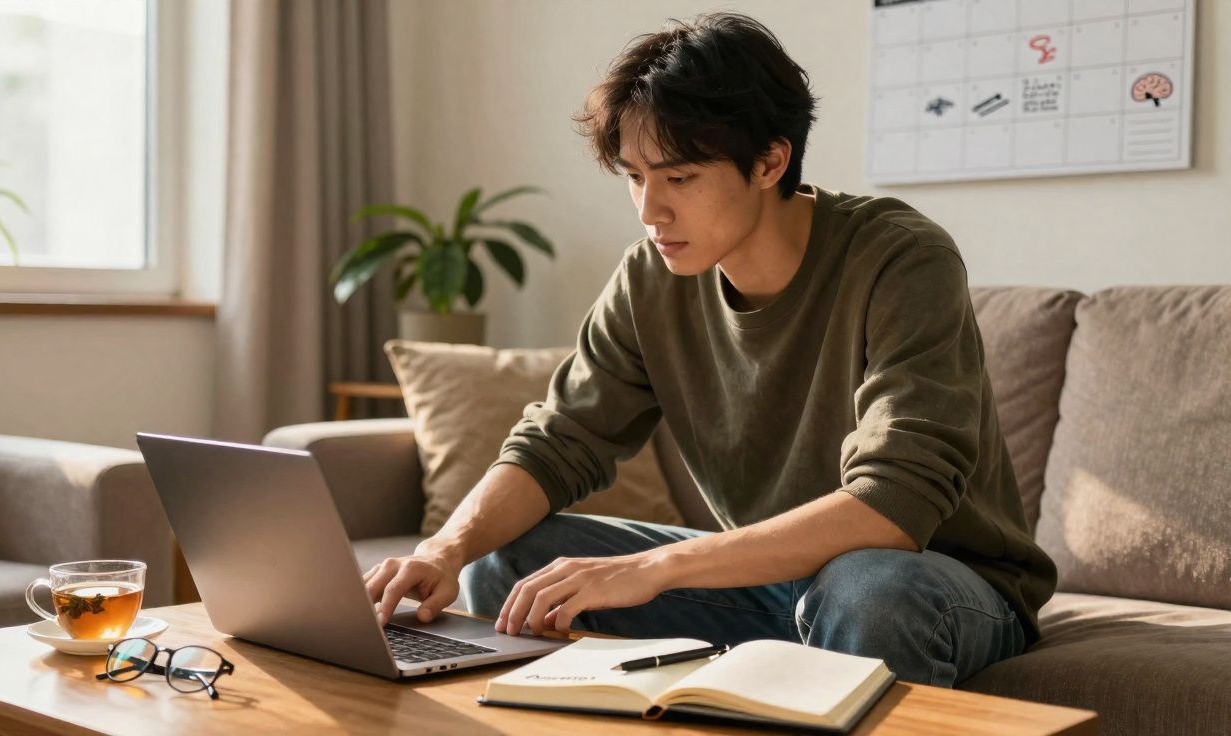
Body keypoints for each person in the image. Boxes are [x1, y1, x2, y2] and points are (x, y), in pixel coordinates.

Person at [362, 11, 1056, 687]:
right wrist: (443, 548)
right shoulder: (650, 277)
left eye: (679, 178)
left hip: (936, 583)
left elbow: (894, 508)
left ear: (769, 160)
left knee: (864, 588)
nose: (649, 210)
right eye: (634, 176)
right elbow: (558, 441)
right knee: (508, 563)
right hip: (770, 583)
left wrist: (658, 570)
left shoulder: (901, 259)